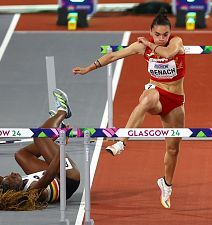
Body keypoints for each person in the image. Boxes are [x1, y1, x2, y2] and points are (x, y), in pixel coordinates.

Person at [72, 9, 184, 209]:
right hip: (156, 92)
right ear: (151, 31)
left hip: (175, 99)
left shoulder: (176, 42)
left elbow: (168, 53)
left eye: (164, 34)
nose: (160, 38)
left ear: (170, 33)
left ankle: (166, 183)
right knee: (147, 99)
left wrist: (149, 45)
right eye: (156, 34)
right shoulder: (141, 47)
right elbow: (114, 55)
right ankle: (122, 142)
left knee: (173, 148)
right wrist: (89, 68)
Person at [0, 89, 80, 210]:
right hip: (68, 178)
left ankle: (50, 137)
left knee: (21, 155)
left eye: (7, 177)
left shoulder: (14, 189)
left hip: (55, 175)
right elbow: (49, 175)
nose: (11, 173)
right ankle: (63, 112)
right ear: (16, 188)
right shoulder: (33, 191)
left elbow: (5, 183)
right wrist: (62, 145)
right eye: (11, 178)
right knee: (39, 135)